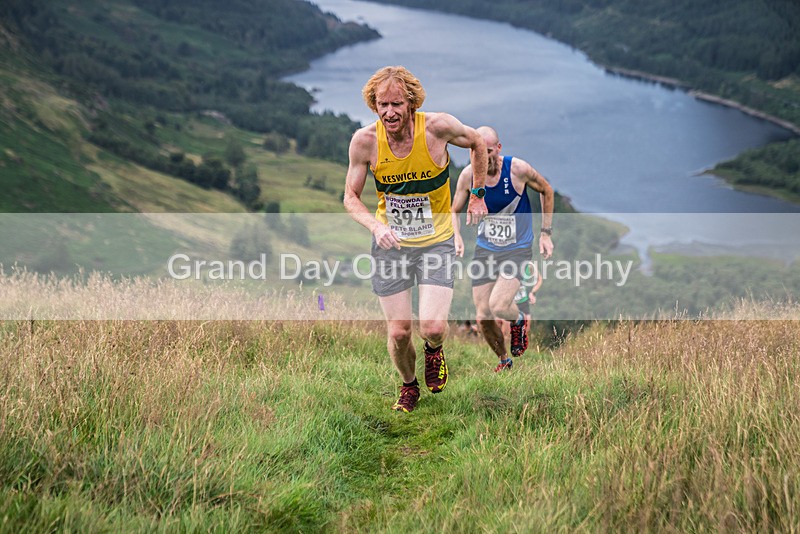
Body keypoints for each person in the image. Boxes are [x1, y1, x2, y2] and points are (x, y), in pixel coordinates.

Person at [343, 66, 488, 413]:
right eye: (382, 105)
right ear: (373, 106)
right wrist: (376, 227)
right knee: (398, 333)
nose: (389, 112)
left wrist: (478, 194)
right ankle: (409, 386)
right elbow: (350, 196)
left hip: (436, 241)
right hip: (391, 245)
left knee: (433, 327)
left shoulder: (437, 128)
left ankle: (434, 351)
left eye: (396, 104)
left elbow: (478, 142)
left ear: (411, 103)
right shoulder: (365, 142)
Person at [451, 126, 554, 372]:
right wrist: (456, 236)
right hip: (485, 251)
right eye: (475, 153)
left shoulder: (518, 170)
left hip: (516, 250)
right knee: (483, 317)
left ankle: (518, 321)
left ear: (498, 148)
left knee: (498, 306)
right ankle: (503, 360)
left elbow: (547, 191)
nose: (482, 159)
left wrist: (545, 234)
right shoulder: (468, 176)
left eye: (487, 152)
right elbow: (454, 209)